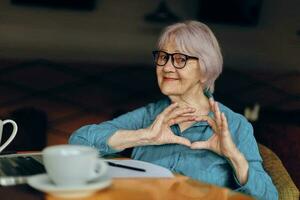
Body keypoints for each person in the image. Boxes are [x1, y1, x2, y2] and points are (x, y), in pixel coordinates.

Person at [69, 20, 278, 200]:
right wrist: (144, 136)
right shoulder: (150, 116)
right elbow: (78, 142)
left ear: (204, 71)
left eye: (180, 59)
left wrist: (233, 156)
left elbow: (270, 197)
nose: (167, 67)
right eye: (163, 57)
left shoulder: (234, 125)